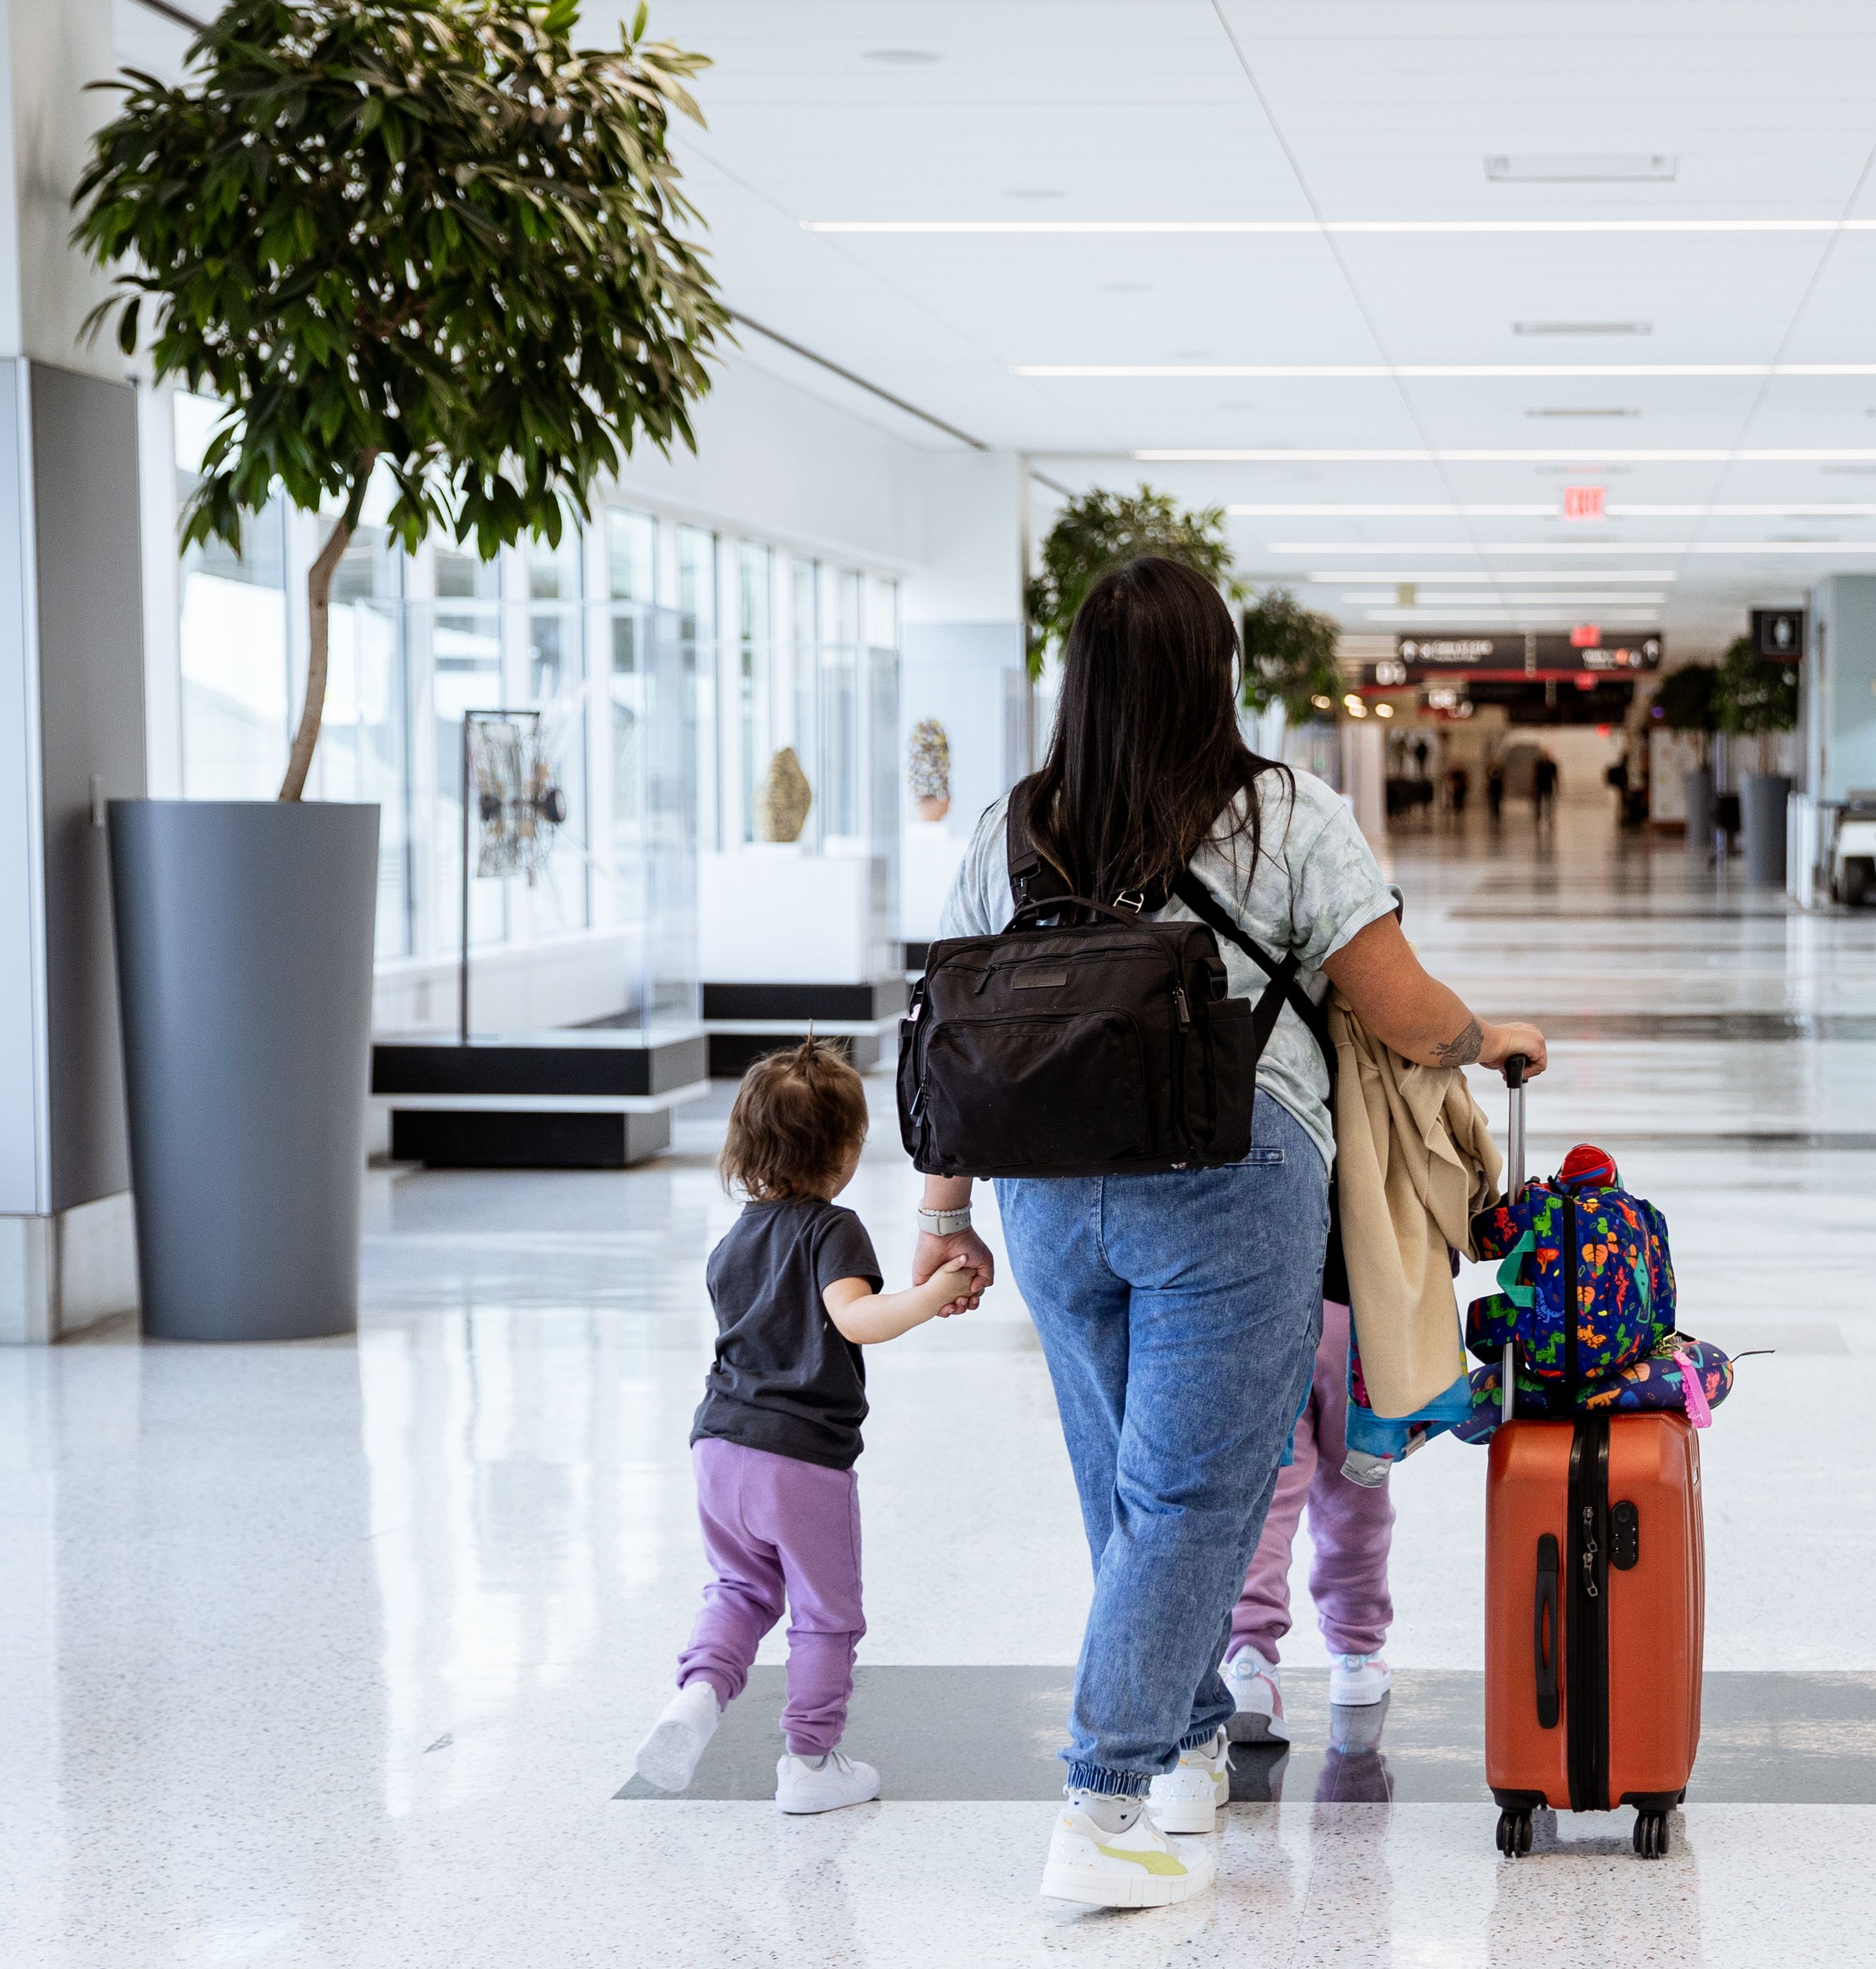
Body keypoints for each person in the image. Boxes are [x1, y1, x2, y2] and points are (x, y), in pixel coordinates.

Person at [922, 556, 1546, 1910]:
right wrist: (1478, 1035)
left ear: (1078, 678)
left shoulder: (1010, 829)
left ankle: (1189, 1748)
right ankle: (1098, 1795)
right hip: (1226, 1179)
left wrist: (939, 1213)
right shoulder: (1282, 815)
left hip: (1045, 1193)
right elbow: (1393, 1003)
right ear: (1213, 673)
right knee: (1192, 1494)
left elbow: (944, 1026)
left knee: (1127, 1489)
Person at [632, 1042, 980, 1814]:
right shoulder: (833, 1229)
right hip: (798, 1461)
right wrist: (934, 1294)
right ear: (848, 1149)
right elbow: (854, 1318)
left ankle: (695, 1696)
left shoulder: (732, 1242)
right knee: (825, 1613)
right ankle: (811, 1761)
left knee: (740, 1586)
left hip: (717, 1445)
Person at [1220, 1295, 1393, 1746]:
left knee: (1266, 1502)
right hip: (1359, 1314)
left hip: (1264, 1312)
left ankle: (1249, 1660)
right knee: (1357, 1494)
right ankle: (1356, 1654)